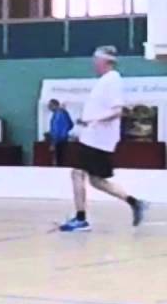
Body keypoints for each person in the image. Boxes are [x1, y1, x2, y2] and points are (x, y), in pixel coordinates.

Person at [60, 46, 149, 232]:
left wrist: (93, 120)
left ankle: (81, 219)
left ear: (105, 61)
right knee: (96, 180)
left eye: (96, 59)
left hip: (97, 139)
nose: (94, 63)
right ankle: (135, 202)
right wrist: (85, 121)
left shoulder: (112, 80)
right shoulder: (105, 81)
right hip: (95, 137)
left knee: (77, 173)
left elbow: (118, 111)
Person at [47, 98, 74, 167]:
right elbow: (70, 125)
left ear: (54, 105)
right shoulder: (64, 112)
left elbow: (56, 130)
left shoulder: (58, 114)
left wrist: (53, 143)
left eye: (50, 105)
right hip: (64, 140)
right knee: (63, 160)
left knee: (59, 162)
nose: (48, 107)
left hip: (58, 141)